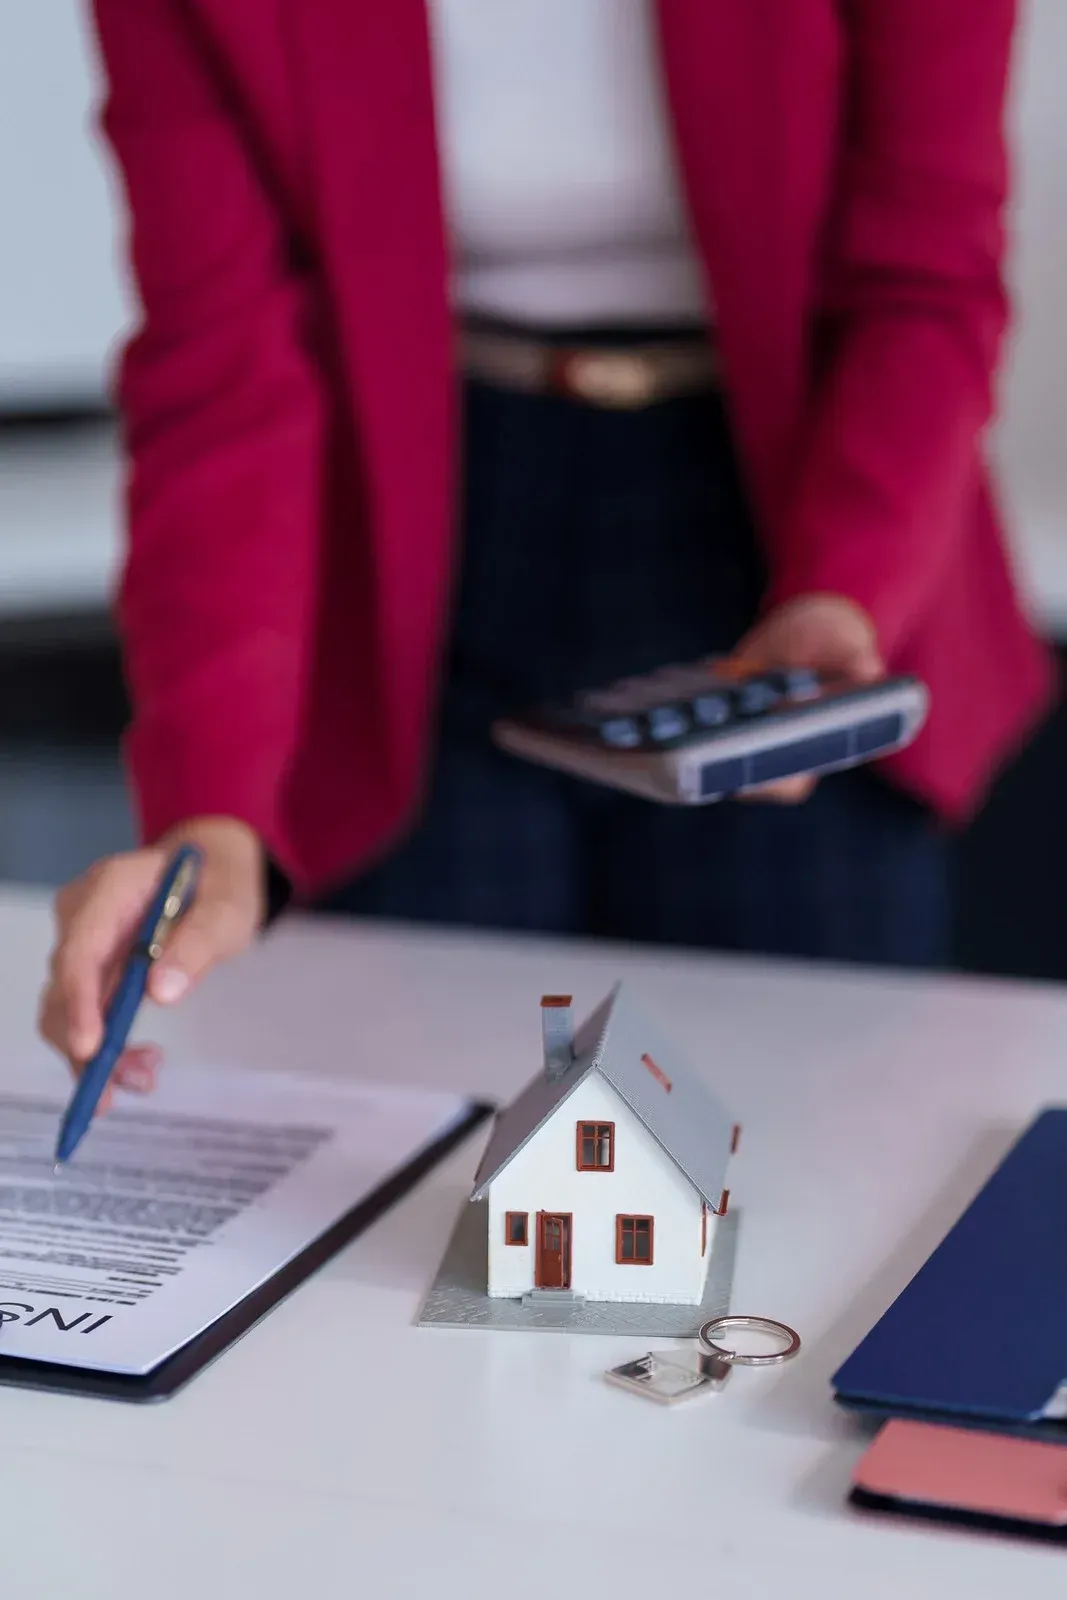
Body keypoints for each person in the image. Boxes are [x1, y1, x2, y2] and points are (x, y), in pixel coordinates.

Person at [39, 0, 1054, 1090]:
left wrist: (846, 586)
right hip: (404, 538)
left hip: (788, 500)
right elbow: (223, 372)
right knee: (423, 1131)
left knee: (811, 1118)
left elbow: (923, 282)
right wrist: (216, 809)